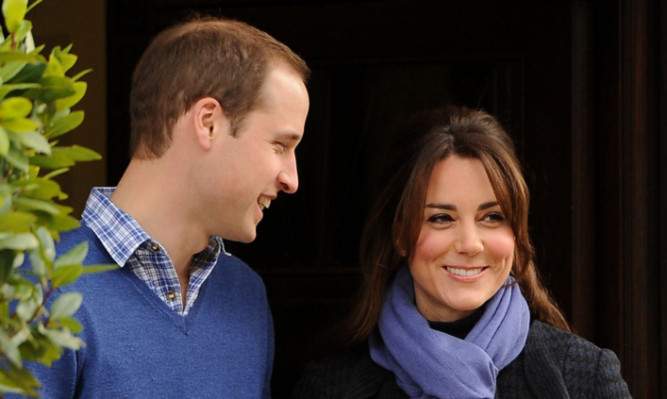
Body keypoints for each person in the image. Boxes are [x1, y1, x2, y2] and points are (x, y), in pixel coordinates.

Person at [16, 17, 310, 398]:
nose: (292, 179)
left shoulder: (245, 296)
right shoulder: (36, 286)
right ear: (208, 123)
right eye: (280, 145)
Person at [292, 105, 630, 398]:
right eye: (441, 218)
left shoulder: (584, 378)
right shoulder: (330, 385)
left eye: (492, 217)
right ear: (399, 233)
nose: (470, 244)